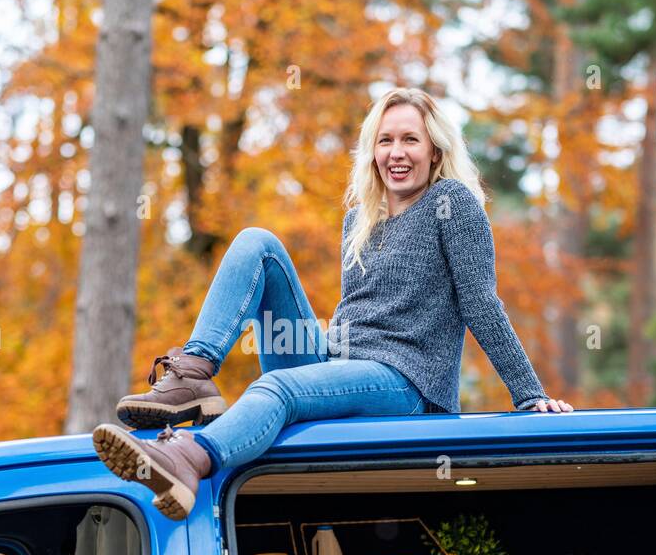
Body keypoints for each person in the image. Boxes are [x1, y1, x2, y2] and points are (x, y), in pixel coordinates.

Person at [92, 87, 573, 520]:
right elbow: (360, 316)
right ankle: (193, 376)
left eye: (410, 140)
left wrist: (528, 393)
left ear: (435, 151)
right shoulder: (359, 221)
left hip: (406, 383)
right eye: (385, 141)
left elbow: (481, 303)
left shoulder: (452, 203)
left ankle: (188, 459)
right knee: (257, 243)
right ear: (372, 152)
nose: (396, 152)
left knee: (276, 387)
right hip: (339, 363)